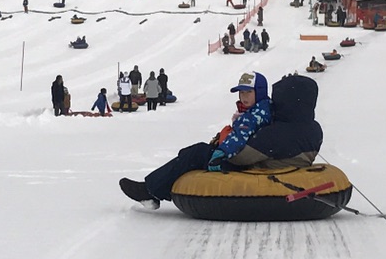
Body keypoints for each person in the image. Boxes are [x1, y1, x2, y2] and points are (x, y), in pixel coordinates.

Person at [120, 71, 324, 207]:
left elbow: (243, 155)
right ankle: (162, 181)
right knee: (192, 154)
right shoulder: (313, 129)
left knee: (196, 153)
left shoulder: (277, 130)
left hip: (256, 168)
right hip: (275, 164)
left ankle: (150, 190)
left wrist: (221, 149)